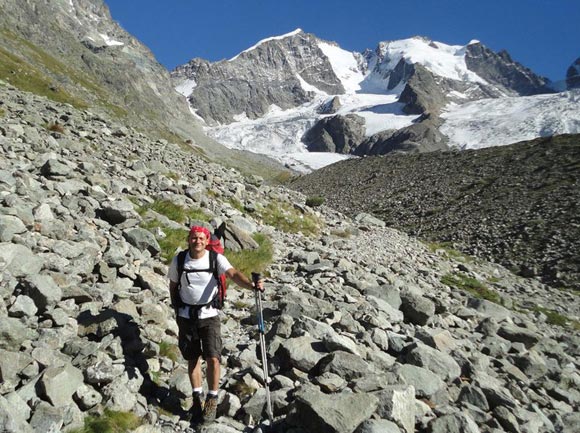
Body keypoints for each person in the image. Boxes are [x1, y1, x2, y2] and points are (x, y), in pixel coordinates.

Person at [168, 225, 264, 424]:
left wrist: (251, 285)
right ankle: (197, 398)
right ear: (189, 239)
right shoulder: (179, 260)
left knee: (213, 358)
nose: (198, 242)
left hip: (209, 315)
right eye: (194, 238)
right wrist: (177, 308)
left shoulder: (215, 258)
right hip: (186, 316)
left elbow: (233, 274)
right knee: (192, 358)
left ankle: (212, 398)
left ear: (207, 240)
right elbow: (173, 285)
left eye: (201, 238)